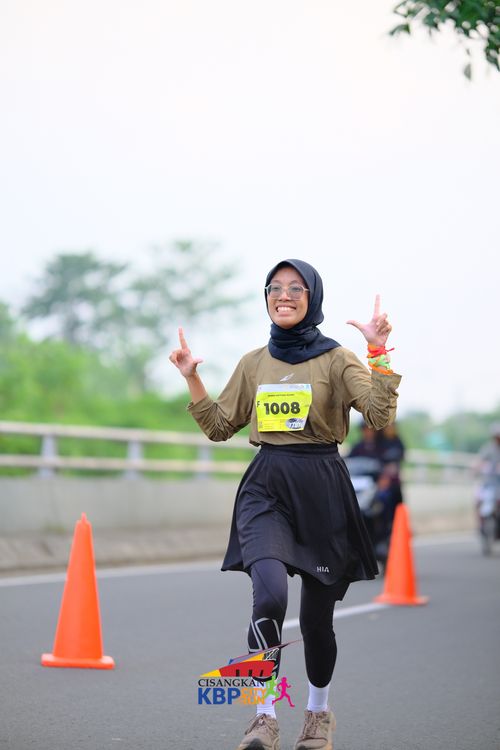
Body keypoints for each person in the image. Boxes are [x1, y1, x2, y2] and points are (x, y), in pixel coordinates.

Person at [169, 259, 401, 750]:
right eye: (275, 287)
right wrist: (192, 378)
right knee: (270, 597)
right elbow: (219, 427)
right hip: (267, 485)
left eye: (296, 288)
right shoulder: (255, 362)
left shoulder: (336, 359)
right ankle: (264, 717)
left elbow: (379, 415)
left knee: (316, 622)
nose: (284, 295)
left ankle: (317, 714)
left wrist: (377, 352)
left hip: (322, 487)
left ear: (312, 297)